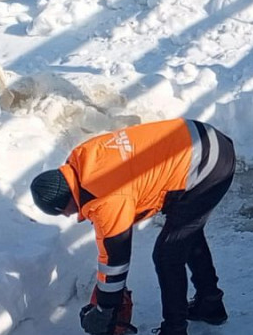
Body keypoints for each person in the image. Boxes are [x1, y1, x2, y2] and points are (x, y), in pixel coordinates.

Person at [30, 118, 236, 335]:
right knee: (186, 234)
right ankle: (210, 304)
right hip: (201, 141)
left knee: (168, 254)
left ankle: (175, 329)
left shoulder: (105, 197)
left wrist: (105, 309)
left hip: (206, 164)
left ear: (64, 203)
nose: (69, 215)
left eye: (63, 212)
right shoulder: (83, 159)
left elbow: (115, 259)